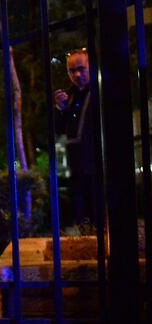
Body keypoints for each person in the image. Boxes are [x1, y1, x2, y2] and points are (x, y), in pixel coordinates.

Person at [54, 48, 98, 229]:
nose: (77, 74)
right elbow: (58, 133)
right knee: (81, 219)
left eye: (81, 68)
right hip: (73, 168)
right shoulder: (67, 97)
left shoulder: (98, 92)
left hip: (96, 166)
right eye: (72, 70)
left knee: (98, 216)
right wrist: (60, 109)